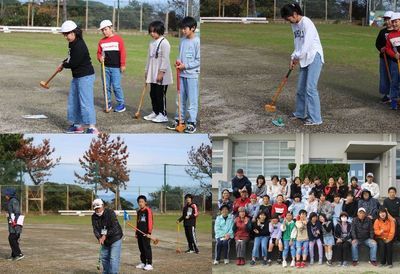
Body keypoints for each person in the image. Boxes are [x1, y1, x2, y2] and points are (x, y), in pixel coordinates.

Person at [281, 3, 324, 125]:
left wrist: (298, 57)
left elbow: (307, 44)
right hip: (304, 58)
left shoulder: (307, 22)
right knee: (300, 89)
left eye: (288, 18)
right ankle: (300, 113)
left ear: (294, 14)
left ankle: (316, 119)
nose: (287, 21)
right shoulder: (294, 25)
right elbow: (298, 44)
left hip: (314, 56)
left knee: (310, 88)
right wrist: (293, 57)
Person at [58, 20, 98, 134]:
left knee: (86, 102)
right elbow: (70, 57)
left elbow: (73, 63)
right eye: (64, 35)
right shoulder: (72, 43)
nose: (66, 37)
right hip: (77, 76)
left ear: (74, 32)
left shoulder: (79, 45)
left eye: (67, 34)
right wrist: (63, 62)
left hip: (85, 76)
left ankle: (92, 127)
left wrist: (64, 65)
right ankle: (77, 126)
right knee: (73, 101)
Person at [168, 16, 200, 133]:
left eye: (185, 28)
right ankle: (179, 120)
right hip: (181, 75)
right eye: (181, 28)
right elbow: (180, 55)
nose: (183, 31)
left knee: (192, 100)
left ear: (193, 28)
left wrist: (185, 66)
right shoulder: (182, 40)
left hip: (192, 75)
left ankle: (192, 122)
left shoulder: (197, 42)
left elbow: (198, 60)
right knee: (180, 99)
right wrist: (177, 62)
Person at [144, 20, 173, 123]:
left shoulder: (165, 43)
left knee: (160, 94)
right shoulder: (152, 43)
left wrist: (161, 72)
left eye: (154, 31)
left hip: (161, 74)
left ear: (160, 31)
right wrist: (146, 70)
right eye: (151, 31)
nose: (152, 33)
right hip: (152, 72)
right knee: (153, 93)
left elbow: (165, 59)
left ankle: (163, 114)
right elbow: (149, 57)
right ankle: (155, 111)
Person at [97, 19, 127, 113]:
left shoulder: (118, 39)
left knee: (116, 86)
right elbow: (98, 53)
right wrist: (99, 58)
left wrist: (122, 65)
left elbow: (123, 53)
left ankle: (121, 104)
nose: (104, 32)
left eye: (106, 29)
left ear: (111, 28)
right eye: (102, 30)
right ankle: (108, 102)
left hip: (116, 68)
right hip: (105, 67)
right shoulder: (101, 41)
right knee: (106, 86)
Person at [91, 198, 123, 274]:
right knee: (104, 258)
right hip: (104, 240)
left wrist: (105, 235)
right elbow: (95, 229)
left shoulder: (110, 213)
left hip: (115, 237)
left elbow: (115, 226)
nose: (97, 210)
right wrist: (99, 237)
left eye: (99, 207)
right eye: (96, 208)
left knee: (113, 258)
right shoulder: (94, 217)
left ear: (103, 206)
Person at [375, 11, 394, 103]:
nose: (387, 21)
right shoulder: (382, 32)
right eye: (385, 20)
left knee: (394, 76)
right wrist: (380, 48)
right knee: (384, 75)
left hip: (393, 58)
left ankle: (393, 94)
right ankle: (386, 94)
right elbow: (377, 43)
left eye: (388, 19)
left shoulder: (396, 32)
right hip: (384, 58)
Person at [4, 188, 24, 261]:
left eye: (6, 194)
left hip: (15, 223)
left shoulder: (14, 201)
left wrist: (15, 221)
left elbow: (17, 212)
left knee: (12, 238)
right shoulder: (10, 201)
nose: (5, 195)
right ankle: (14, 255)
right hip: (11, 222)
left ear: (10, 194)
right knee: (14, 238)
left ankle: (19, 254)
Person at [135, 195, 154, 271]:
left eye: (142, 202)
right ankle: (143, 262)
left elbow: (150, 222)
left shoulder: (148, 210)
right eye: (139, 202)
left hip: (146, 233)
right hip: (139, 232)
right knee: (141, 248)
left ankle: (149, 264)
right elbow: (138, 222)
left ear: (145, 202)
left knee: (146, 248)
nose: (140, 203)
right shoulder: (139, 211)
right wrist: (136, 232)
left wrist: (149, 232)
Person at [385, 12, 400, 109]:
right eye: (393, 22)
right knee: (395, 82)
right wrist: (394, 55)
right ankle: (394, 103)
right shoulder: (390, 35)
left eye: (396, 22)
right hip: (395, 63)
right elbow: (387, 48)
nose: (394, 24)